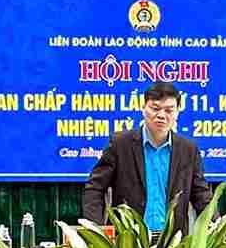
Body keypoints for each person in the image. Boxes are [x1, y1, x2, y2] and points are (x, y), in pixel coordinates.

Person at [81, 80, 214, 237]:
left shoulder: (188, 149)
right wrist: (96, 230)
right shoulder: (120, 144)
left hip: (173, 243)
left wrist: (221, 224)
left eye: (169, 110)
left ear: (177, 112)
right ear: (143, 108)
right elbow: (95, 188)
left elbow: (201, 195)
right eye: (155, 108)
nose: (161, 116)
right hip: (129, 241)